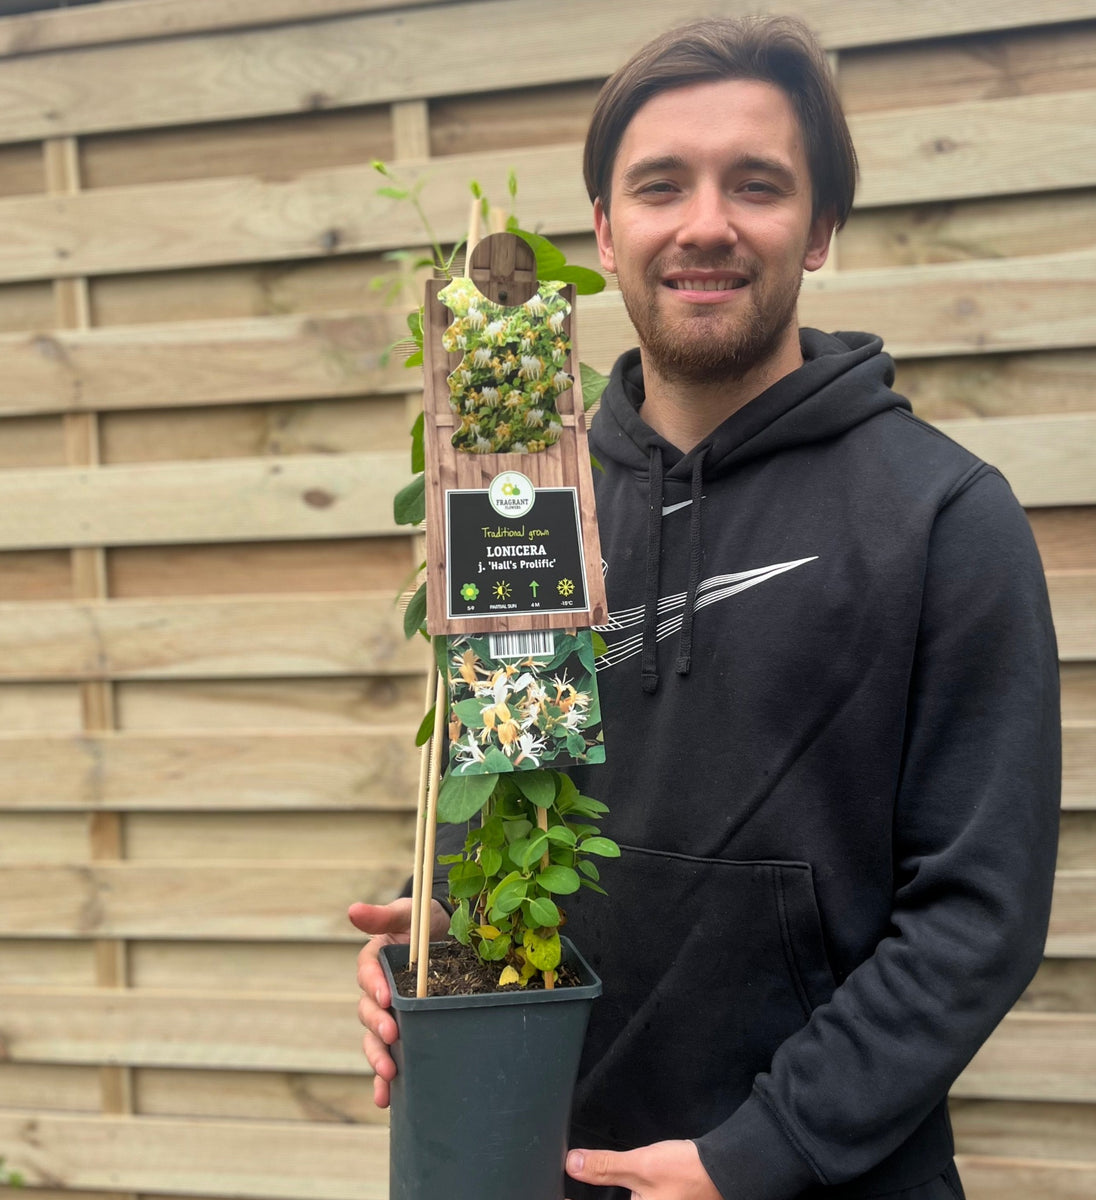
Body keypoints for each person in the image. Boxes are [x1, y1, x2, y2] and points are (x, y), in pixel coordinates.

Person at [350, 15, 1060, 1200]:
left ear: (820, 228)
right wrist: (435, 940)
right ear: (604, 229)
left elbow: (978, 914)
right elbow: (510, 785)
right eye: (662, 185)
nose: (706, 223)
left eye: (758, 184)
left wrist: (755, 1156)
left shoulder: (944, 516)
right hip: (536, 1160)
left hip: (818, 1178)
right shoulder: (525, 500)